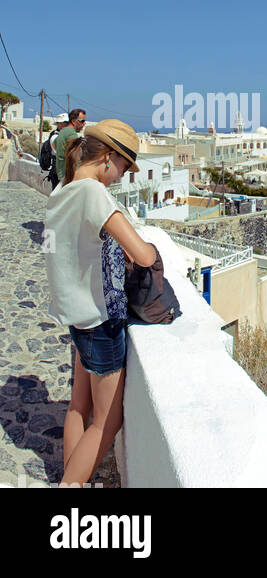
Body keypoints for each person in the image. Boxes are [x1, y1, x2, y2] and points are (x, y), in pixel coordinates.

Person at [43, 119, 157, 487]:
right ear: (108, 157)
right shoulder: (93, 193)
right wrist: (153, 249)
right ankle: (70, 485)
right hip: (101, 323)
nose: (121, 176)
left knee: (79, 407)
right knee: (107, 422)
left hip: (76, 319)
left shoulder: (63, 189)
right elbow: (141, 255)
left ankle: (70, 474)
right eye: (123, 166)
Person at [53, 108, 87, 187]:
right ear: (74, 121)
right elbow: (76, 157)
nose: (84, 123)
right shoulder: (71, 134)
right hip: (69, 177)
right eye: (82, 121)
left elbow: (54, 145)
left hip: (61, 174)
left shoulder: (64, 131)